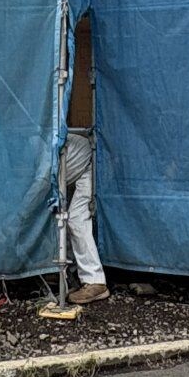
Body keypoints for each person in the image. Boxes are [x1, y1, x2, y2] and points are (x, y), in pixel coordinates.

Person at [60, 128, 106, 304]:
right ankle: (71, 274)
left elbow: (37, 189)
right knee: (62, 217)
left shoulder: (35, 149)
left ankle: (95, 281)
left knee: (76, 219)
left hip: (89, 164)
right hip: (73, 168)